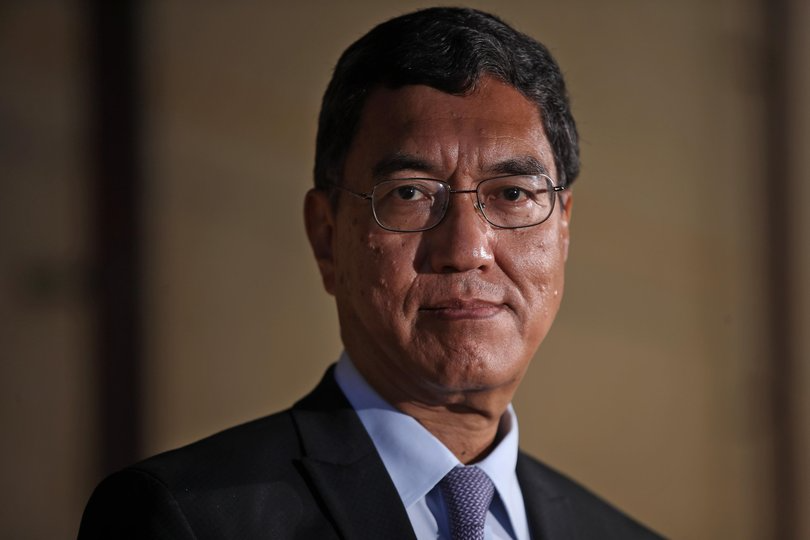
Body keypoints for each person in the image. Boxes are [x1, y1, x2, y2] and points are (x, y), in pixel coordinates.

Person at [78, 7, 662, 539]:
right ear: (326, 236)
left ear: (563, 229)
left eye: (512, 193)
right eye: (410, 193)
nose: (466, 249)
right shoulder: (185, 518)